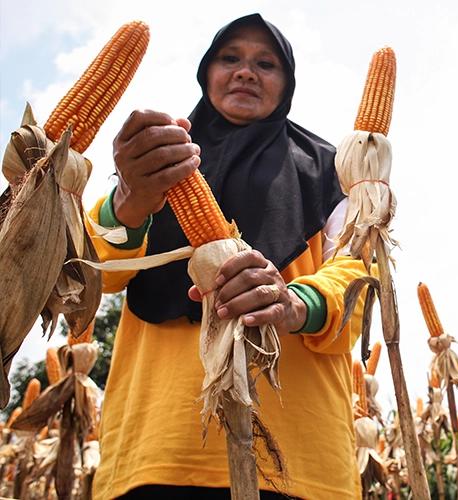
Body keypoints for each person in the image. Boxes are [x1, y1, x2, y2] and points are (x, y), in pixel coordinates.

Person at [87, 13, 366, 499]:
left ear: (287, 83)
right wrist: (128, 201)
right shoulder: (158, 160)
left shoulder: (334, 172)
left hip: (297, 457)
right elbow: (93, 276)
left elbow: (362, 277)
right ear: (206, 72)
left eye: (266, 63)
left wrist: (295, 303)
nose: (245, 72)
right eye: (230, 58)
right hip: (158, 447)